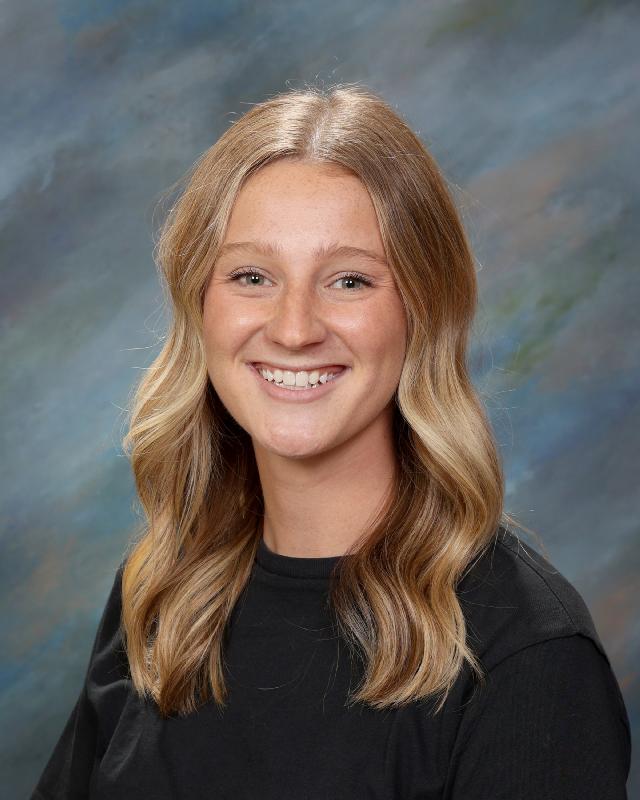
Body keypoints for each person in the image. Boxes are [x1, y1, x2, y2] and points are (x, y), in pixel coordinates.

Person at [31, 84, 631, 799]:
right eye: (252, 276)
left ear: (424, 310)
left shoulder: (525, 656)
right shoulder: (164, 597)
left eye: (349, 280)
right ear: (200, 304)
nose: (294, 329)